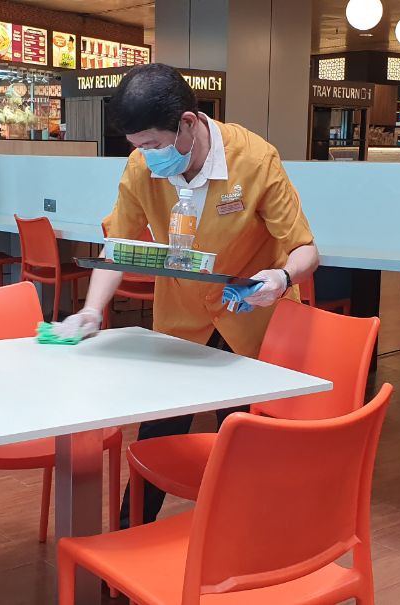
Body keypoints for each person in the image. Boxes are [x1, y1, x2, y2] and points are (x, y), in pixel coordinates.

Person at [50, 64, 319, 526]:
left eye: (153, 144)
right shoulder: (142, 167)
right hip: (181, 321)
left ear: (189, 123)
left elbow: (306, 249)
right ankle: (125, 550)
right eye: (137, 147)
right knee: (156, 434)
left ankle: (241, 546)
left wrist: (281, 278)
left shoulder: (254, 160)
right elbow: (120, 244)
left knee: (243, 440)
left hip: (250, 315)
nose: (147, 156)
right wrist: (92, 311)